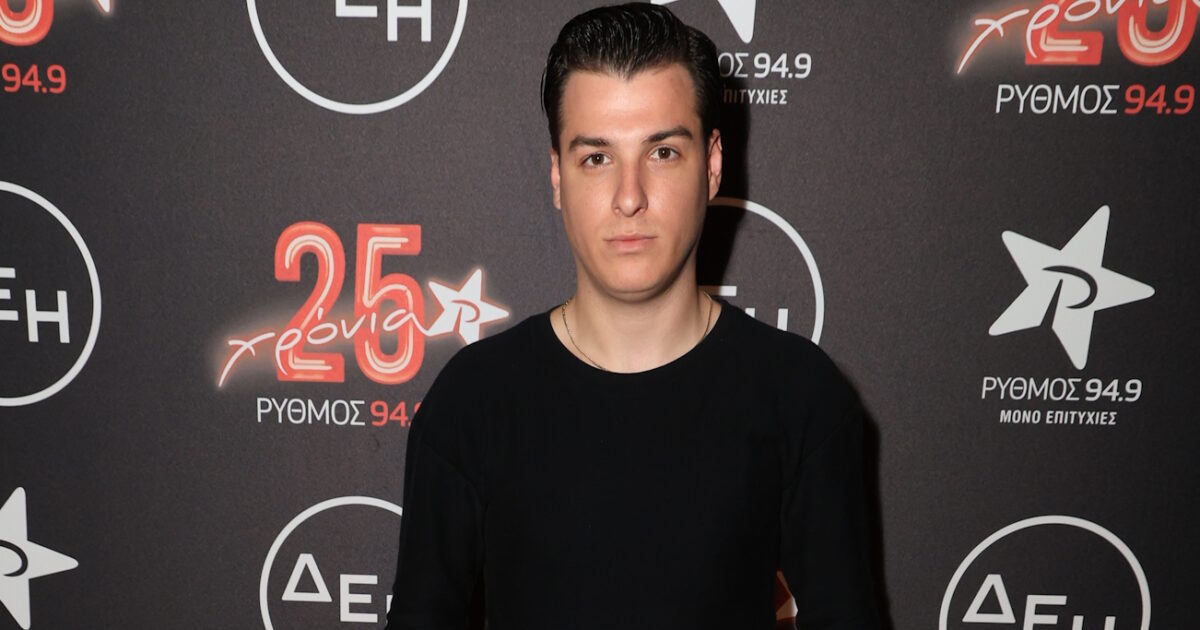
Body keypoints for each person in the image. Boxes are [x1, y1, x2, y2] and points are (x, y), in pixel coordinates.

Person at [386, 4, 880, 628]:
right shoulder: (473, 402)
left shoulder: (799, 397)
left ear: (713, 165)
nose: (629, 197)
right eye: (596, 158)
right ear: (557, 177)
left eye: (663, 152)